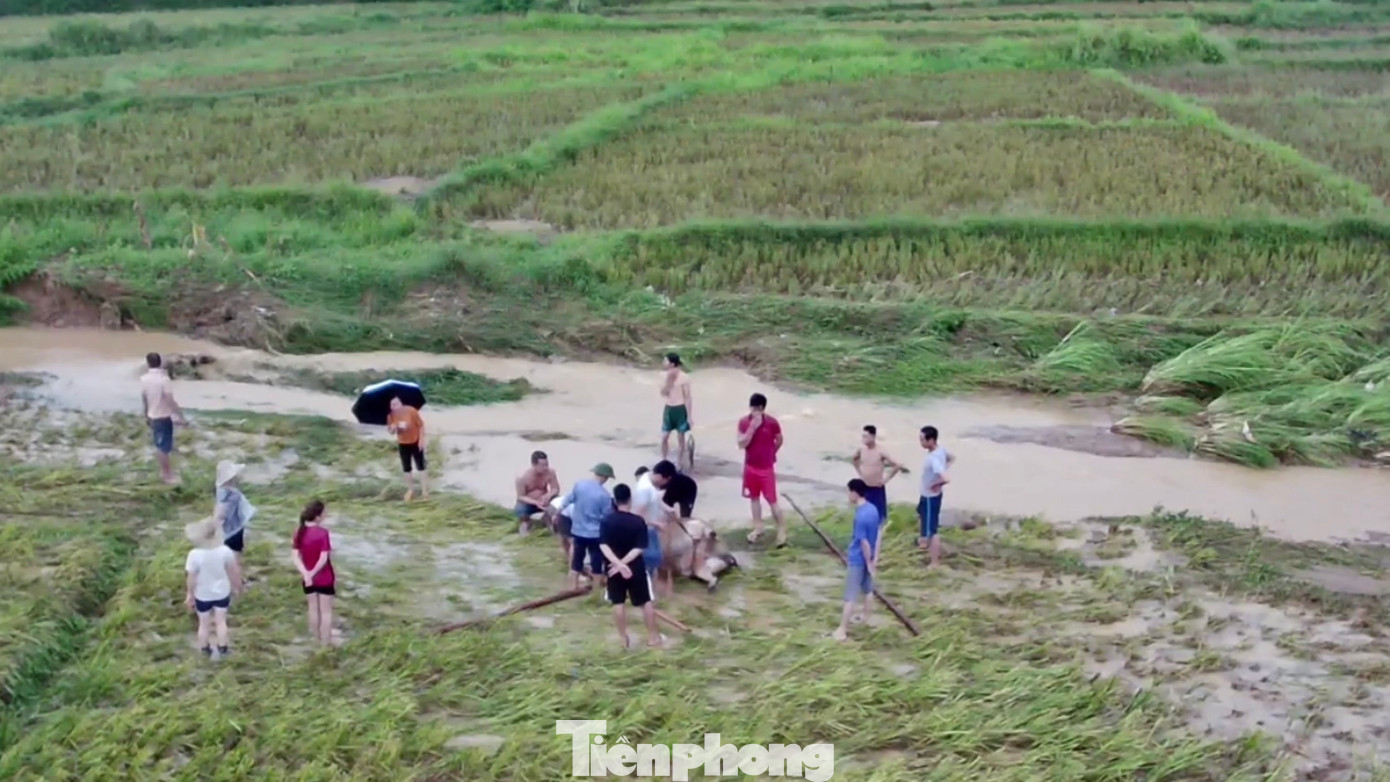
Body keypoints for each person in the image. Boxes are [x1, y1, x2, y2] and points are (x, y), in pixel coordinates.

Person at [600, 483, 661, 649]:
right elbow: (639, 547)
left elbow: (603, 546)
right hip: (635, 567)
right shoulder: (638, 521)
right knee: (645, 602)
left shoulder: (607, 520)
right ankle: (652, 637)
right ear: (630, 499)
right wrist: (625, 564)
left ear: (615, 500)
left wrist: (618, 565)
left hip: (613, 568)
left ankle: (623, 638)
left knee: (618, 602)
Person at [184, 515, 242, 659]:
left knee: (203, 624)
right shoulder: (225, 551)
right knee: (221, 622)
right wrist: (238, 587)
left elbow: (191, 578)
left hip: (202, 594)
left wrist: (190, 594)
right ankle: (223, 649)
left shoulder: (194, 555)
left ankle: (204, 649)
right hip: (222, 592)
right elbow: (233, 571)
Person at [833, 479, 882, 642]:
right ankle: (866, 618)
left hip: (858, 559)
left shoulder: (861, 516)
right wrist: (875, 557)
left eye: (848, 491)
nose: (848, 495)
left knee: (850, 595)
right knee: (868, 590)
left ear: (855, 492)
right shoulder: (873, 509)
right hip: (870, 557)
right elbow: (878, 534)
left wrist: (868, 562)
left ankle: (842, 629)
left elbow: (863, 542)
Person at [557, 463, 616, 591]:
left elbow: (567, 501)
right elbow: (607, 517)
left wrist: (558, 512)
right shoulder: (604, 496)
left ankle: (573, 588)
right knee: (596, 565)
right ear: (605, 477)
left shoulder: (579, 485)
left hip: (578, 531)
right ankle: (596, 592)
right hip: (595, 534)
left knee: (576, 564)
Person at [738, 393, 785, 546]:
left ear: (762, 408)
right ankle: (758, 527)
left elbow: (779, 440)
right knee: (754, 498)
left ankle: (782, 530)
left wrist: (772, 453)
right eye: (752, 409)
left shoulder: (772, 423)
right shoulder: (744, 422)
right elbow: (741, 444)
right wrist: (752, 428)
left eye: (757, 409)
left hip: (766, 468)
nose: (754, 412)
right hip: (750, 467)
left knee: (772, 500)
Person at [293, 499, 336, 646]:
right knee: (326, 612)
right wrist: (313, 573)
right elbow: (324, 558)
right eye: (324, 513)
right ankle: (326, 643)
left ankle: (316, 639)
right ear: (317, 516)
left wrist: (306, 574)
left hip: (308, 579)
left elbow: (295, 556)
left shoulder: (300, 532)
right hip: (324, 578)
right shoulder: (323, 533)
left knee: (312, 608)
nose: (326, 515)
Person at [141, 352, 187, 484]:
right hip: (163, 416)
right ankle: (167, 476)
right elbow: (169, 400)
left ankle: (165, 471)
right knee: (164, 447)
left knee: (160, 444)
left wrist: (146, 414)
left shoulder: (144, 379)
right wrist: (180, 416)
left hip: (153, 416)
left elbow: (144, 398)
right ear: (160, 362)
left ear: (147, 363)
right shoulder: (164, 380)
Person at [918, 425, 955, 568]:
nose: (920, 443)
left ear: (931, 440)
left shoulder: (933, 459)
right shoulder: (941, 450)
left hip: (930, 497)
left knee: (932, 531)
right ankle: (923, 541)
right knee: (921, 514)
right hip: (928, 495)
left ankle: (935, 562)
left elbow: (946, 478)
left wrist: (935, 484)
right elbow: (952, 458)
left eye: (922, 440)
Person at [851, 425, 903, 524]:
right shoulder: (861, 449)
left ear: (873, 436)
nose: (863, 439)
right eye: (863, 436)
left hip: (876, 487)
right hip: (864, 487)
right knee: (863, 514)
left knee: (878, 516)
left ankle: (877, 535)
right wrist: (859, 471)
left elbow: (897, 465)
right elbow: (854, 459)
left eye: (866, 436)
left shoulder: (881, 451)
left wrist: (886, 480)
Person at [632, 466, 670, 597]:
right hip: (646, 530)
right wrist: (657, 523)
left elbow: (656, 501)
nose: (664, 485)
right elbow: (638, 514)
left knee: (655, 560)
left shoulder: (648, 479)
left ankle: (651, 590)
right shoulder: (645, 489)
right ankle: (646, 592)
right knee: (650, 559)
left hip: (651, 528)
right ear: (660, 477)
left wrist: (667, 510)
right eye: (665, 481)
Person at [214, 460, 256, 575]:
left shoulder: (220, 490)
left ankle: (231, 577)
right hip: (234, 530)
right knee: (235, 558)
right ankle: (237, 582)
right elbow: (222, 512)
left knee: (228, 556)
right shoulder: (234, 495)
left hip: (226, 529)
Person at [387, 396, 428, 502]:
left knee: (421, 466)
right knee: (406, 467)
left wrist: (421, 440)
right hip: (403, 443)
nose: (395, 406)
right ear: (390, 407)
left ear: (401, 403)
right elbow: (390, 432)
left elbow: (421, 425)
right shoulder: (391, 416)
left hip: (415, 441)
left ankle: (424, 491)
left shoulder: (411, 411)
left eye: (397, 403)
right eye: (393, 405)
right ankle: (410, 490)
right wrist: (393, 428)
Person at [514, 450, 561, 535]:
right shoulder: (522, 477)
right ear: (534, 465)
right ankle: (526, 526)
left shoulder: (550, 472)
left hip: (544, 501)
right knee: (520, 509)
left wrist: (548, 495)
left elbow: (555, 488)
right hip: (529, 502)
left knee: (558, 501)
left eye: (547, 464)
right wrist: (535, 502)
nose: (545, 468)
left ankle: (549, 519)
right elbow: (520, 496)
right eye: (542, 465)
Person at [659, 353, 693, 467]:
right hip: (669, 408)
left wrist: (689, 416)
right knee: (664, 437)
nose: (663, 363)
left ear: (672, 364)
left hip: (680, 408)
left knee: (681, 438)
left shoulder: (684, 377)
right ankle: (664, 459)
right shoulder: (663, 376)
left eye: (665, 361)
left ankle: (679, 461)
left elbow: (687, 397)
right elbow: (663, 393)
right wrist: (669, 381)